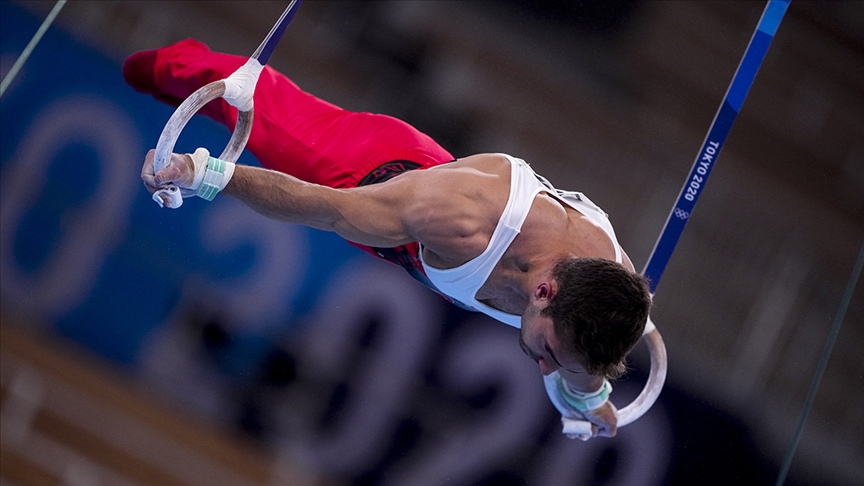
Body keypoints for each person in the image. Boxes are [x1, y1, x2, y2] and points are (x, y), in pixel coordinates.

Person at [125, 38, 652, 439]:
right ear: (545, 291)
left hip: (418, 230)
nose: (542, 366)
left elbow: (579, 370)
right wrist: (202, 173)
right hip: (365, 173)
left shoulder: (611, 294)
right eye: (548, 353)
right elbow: (324, 209)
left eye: (556, 362)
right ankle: (158, 62)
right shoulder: (459, 219)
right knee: (233, 93)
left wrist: (588, 400)